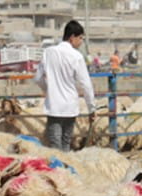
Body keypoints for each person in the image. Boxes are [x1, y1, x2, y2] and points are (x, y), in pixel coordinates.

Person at [33, 20, 96, 151]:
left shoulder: (48, 52)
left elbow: (38, 78)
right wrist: (91, 108)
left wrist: (48, 90)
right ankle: (67, 169)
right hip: (70, 107)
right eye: (80, 38)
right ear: (72, 37)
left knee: (55, 145)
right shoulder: (76, 56)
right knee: (66, 143)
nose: (81, 42)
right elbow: (86, 85)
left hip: (54, 107)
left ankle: (58, 169)